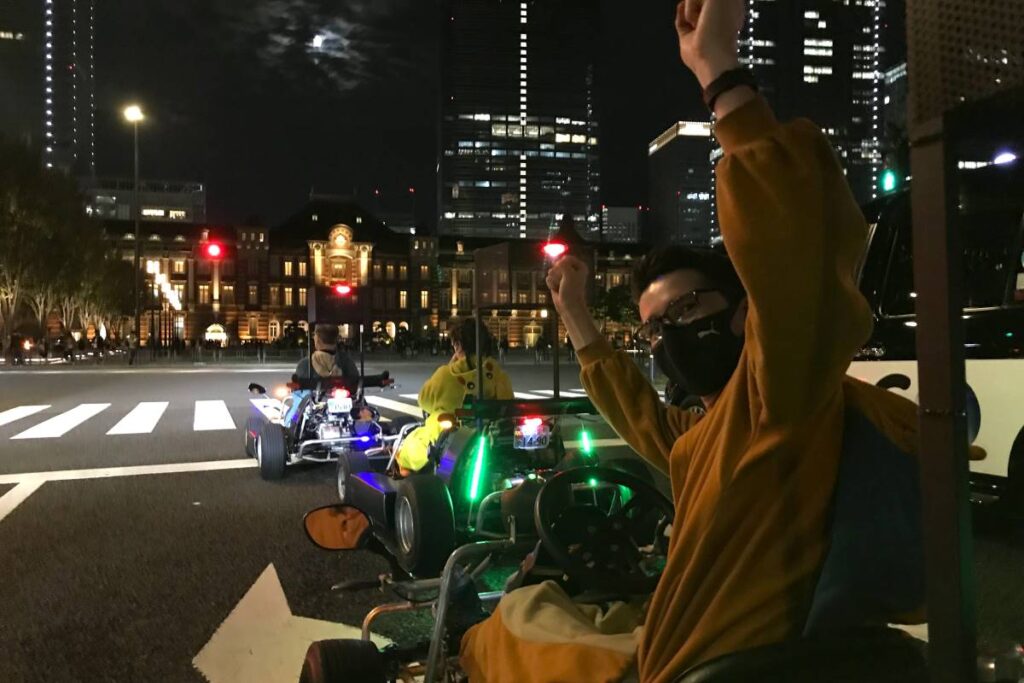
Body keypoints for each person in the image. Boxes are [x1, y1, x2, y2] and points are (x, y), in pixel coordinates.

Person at [459, 2, 924, 681]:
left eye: (685, 309)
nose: (667, 338)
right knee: (562, 612)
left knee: (506, 624)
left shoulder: (778, 397)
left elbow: (791, 248)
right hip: (690, 649)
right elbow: (644, 417)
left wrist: (717, 69)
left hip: (687, 667)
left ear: (745, 311)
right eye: (652, 328)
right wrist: (577, 315)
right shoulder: (713, 432)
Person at [395, 318, 513, 474]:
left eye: (454, 345)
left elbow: (424, 401)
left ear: (459, 345)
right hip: (491, 436)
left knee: (410, 447)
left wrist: (450, 364)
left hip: (449, 441)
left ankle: (404, 474)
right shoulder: (498, 374)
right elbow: (508, 404)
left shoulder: (447, 374)